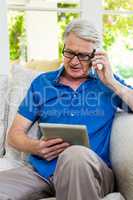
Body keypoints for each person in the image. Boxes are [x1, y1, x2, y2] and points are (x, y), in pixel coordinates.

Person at [0, 19, 133, 200]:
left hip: (89, 172)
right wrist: (36, 147)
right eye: (70, 53)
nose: (75, 61)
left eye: (83, 55)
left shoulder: (107, 83)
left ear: (95, 56)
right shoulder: (42, 83)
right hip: (42, 172)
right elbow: (14, 135)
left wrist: (111, 81)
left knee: (75, 154)